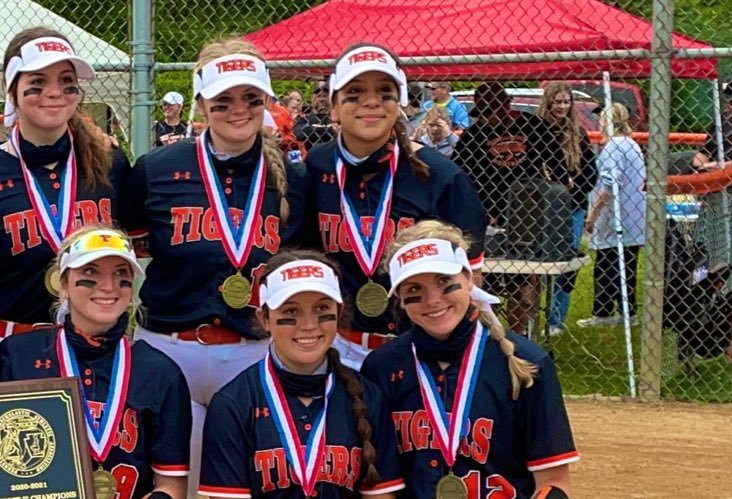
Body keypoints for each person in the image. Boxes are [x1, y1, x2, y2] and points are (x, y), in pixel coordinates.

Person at [118, 35, 308, 492]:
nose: (237, 109)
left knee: (244, 485)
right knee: (166, 486)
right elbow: (136, 242)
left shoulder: (291, 178)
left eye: (250, 97)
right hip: (169, 348)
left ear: (266, 100)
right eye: (222, 100)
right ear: (200, 103)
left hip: (253, 350)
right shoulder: (156, 168)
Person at [0, 27, 128, 381]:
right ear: (12, 90)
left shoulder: (110, 163)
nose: (54, 92)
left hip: (85, 347)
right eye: (38, 81)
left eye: (66, 80)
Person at [301, 43, 487, 370]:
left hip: (419, 347)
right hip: (337, 345)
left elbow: (471, 279)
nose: (371, 101)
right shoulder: (317, 166)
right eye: (355, 92)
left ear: (399, 103)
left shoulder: (440, 176)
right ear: (333, 106)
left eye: (384, 92)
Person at [363, 221, 577, 498]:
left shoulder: (526, 362)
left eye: (444, 282)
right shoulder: (382, 367)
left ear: (468, 279)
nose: (433, 300)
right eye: (414, 289)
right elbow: (381, 489)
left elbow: (554, 483)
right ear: (400, 299)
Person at [0, 227, 191, 498]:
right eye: (90, 273)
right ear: (63, 283)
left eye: (121, 274)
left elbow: (172, 485)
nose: (108, 286)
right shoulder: (17, 355)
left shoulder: (160, 372)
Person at [199, 251, 404, 498]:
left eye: (321, 308)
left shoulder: (367, 396)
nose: (308, 325)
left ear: (339, 312)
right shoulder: (234, 403)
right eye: (291, 312)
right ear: (264, 318)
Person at [454, 82, 566, 336]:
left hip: (528, 211)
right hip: (489, 213)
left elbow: (558, 165)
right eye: (482, 114)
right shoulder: (475, 135)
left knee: (523, 277)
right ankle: (489, 333)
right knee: (488, 277)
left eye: (491, 112)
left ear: (504, 106)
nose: (487, 119)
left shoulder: (533, 126)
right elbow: (459, 174)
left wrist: (557, 193)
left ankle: (519, 335)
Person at [537, 82, 598, 336]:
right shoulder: (537, 132)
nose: (562, 107)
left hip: (572, 207)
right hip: (541, 208)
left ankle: (556, 318)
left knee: (566, 262)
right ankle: (533, 316)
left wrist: (572, 190)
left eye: (566, 102)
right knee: (537, 264)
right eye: (557, 102)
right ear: (548, 103)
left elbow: (591, 173)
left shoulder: (578, 133)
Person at [579, 103, 645, 329]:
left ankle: (603, 313)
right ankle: (628, 311)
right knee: (626, 266)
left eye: (602, 118)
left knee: (606, 267)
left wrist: (592, 215)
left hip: (617, 216)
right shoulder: (631, 144)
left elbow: (609, 183)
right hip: (632, 215)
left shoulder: (614, 147)